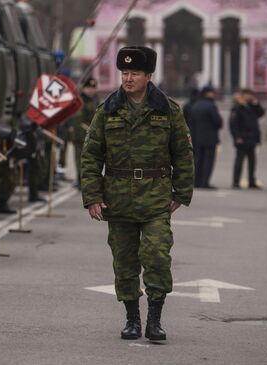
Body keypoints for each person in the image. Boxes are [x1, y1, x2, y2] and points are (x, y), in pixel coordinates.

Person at [81, 46, 194, 342]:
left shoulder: (168, 110)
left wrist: (180, 193)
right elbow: (91, 156)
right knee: (125, 261)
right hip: (117, 199)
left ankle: (154, 320)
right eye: (124, 73)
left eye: (134, 73)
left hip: (156, 198)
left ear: (148, 76)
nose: (128, 79)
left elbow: (183, 154)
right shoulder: (108, 110)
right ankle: (132, 318)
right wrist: (92, 196)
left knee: (157, 255)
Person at [230, 89, 264, 189]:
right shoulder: (237, 108)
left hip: (252, 138)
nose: (249, 97)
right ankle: (236, 181)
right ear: (243, 95)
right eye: (247, 95)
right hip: (242, 138)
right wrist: (237, 137)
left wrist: (256, 104)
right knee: (239, 161)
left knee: (252, 161)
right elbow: (233, 124)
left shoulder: (253, 107)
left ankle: (251, 181)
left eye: (251, 95)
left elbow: (261, 113)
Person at [189, 86, 222, 189]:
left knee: (198, 160)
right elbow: (217, 122)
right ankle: (205, 183)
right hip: (210, 138)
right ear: (208, 93)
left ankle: (196, 182)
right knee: (208, 161)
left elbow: (191, 122)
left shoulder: (195, 105)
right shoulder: (211, 106)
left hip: (197, 138)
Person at [69, 77, 99, 189]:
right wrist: (88, 133)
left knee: (92, 161)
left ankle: (88, 181)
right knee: (81, 160)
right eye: (88, 88)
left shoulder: (94, 100)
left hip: (93, 135)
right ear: (84, 88)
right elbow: (78, 121)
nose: (91, 90)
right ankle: (81, 181)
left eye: (93, 88)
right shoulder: (80, 100)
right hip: (81, 136)